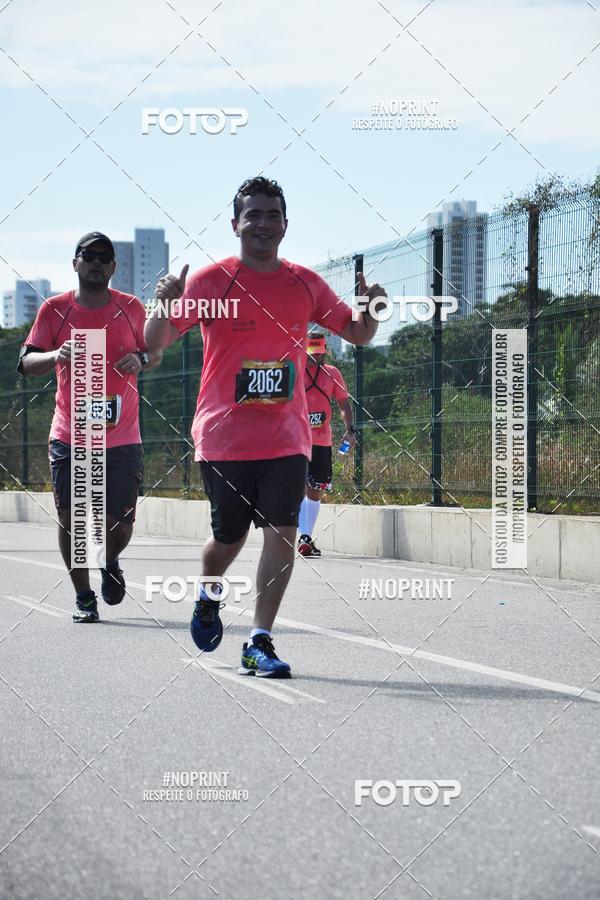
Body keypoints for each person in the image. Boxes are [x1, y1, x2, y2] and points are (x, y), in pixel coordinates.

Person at [145, 176, 386, 678]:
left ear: (285, 225)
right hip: (223, 436)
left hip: (287, 434)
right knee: (227, 540)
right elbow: (156, 341)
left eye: (271, 214)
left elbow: (359, 333)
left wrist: (372, 307)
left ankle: (259, 640)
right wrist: (162, 304)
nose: (262, 223)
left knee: (281, 529)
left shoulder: (305, 282)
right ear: (236, 224)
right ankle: (209, 597)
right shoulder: (211, 281)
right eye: (252, 214)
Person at [18, 232, 161, 623]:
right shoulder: (54, 310)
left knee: (121, 522)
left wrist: (141, 359)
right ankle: (83, 596)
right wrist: (55, 354)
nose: (97, 262)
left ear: (114, 267)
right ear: (75, 263)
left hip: (122, 436)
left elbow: (155, 351)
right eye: (89, 256)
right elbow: (27, 363)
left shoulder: (131, 308)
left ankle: (109, 559)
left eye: (104, 257)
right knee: (72, 518)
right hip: (70, 433)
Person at [297, 332, 355, 557]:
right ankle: (304, 536)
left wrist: (350, 429)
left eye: (318, 353)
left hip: (322, 440)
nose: (314, 358)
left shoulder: (332, 373)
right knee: (300, 487)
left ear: (324, 352)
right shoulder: (295, 371)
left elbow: (343, 404)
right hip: (297, 441)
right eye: (311, 354)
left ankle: (305, 538)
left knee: (315, 490)